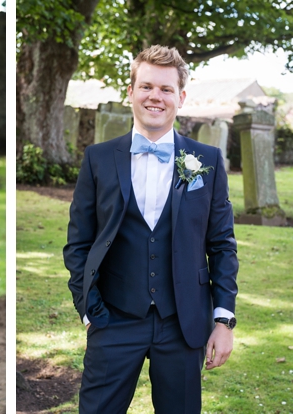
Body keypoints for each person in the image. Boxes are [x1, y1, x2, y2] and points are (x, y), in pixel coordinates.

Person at [64, 45, 239, 413]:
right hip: (113, 319)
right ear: (130, 92)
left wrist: (223, 320)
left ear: (181, 97)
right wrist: (88, 308)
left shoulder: (206, 161)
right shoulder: (98, 158)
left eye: (165, 89)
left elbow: (222, 244)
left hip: (184, 324)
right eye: (146, 87)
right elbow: (78, 242)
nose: (154, 97)